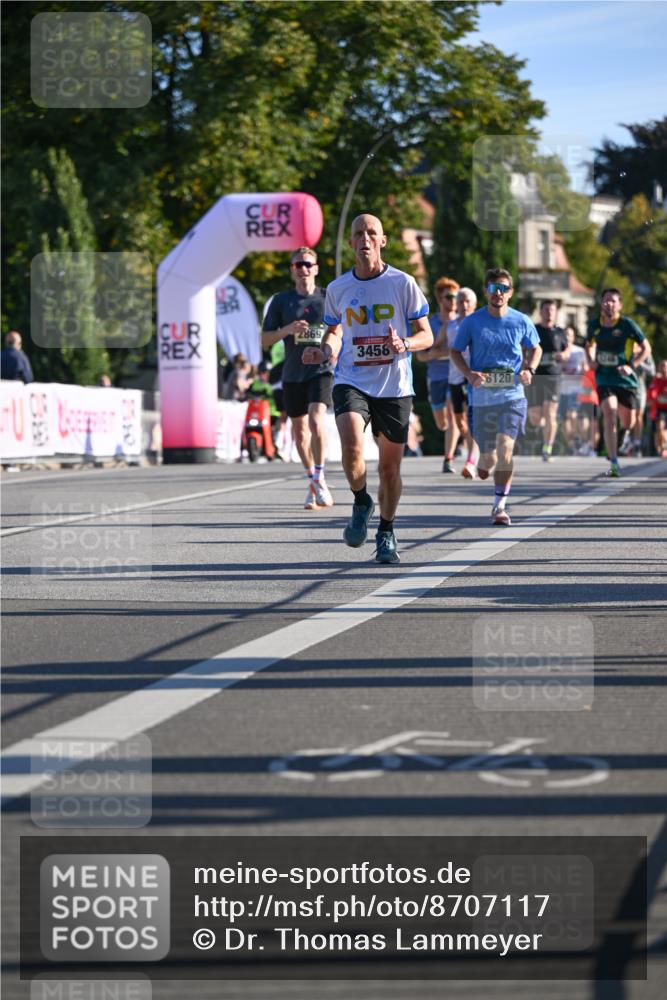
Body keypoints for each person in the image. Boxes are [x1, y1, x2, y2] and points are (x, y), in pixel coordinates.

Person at [302, 213, 433, 564]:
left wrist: (405, 344)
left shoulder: (403, 284)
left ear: (382, 241)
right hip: (351, 379)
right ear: (351, 243)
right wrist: (324, 351)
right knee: (351, 445)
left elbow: (428, 335)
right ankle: (361, 500)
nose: (365, 239)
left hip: (394, 386)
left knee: (389, 470)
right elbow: (334, 332)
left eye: (371, 233)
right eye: (358, 233)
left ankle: (386, 530)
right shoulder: (339, 289)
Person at [450, 267, 541, 526]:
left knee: (506, 447)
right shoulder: (472, 322)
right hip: (481, 399)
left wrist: (529, 369)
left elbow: (535, 348)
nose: (498, 293)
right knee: (489, 457)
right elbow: (455, 352)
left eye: (503, 288)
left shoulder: (521, 320)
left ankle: (499, 505)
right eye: (493, 288)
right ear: (485, 291)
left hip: (512, 395)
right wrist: (469, 374)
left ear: (510, 293)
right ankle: (483, 460)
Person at [262, 247, 334, 510]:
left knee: (316, 422)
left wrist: (332, 349)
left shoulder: (328, 298)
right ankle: (314, 481)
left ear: (316, 269)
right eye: (297, 265)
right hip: (292, 374)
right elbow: (265, 340)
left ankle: (320, 476)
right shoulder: (281, 301)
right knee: (299, 431)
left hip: (321, 371)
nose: (303, 268)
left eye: (307, 264)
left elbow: (343, 330)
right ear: (292, 271)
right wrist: (287, 330)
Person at [585, 288, 651, 477]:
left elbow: (647, 348)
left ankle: (624, 435)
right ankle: (614, 462)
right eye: (606, 300)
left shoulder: (627, 325)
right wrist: (590, 361)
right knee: (609, 413)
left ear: (620, 305)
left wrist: (632, 365)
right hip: (604, 377)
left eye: (613, 301)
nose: (609, 304)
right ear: (601, 304)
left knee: (628, 421)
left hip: (625, 380)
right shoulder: (594, 325)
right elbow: (589, 345)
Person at [417, 277, 459, 472]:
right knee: (442, 422)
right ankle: (460, 437)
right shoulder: (431, 323)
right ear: (440, 299)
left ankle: (448, 458)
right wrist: (438, 352)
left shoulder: (463, 323)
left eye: (455, 297)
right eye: (448, 297)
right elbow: (421, 356)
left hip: (457, 376)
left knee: (453, 415)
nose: (452, 301)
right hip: (436, 376)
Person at [526, 300, 570, 461]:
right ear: (541, 311)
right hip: (536, 376)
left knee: (550, 414)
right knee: (535, 417)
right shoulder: (534, 329)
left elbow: (567, 350)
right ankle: (544, 430)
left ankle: (547, 447)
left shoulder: (560, 332)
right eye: (546, 309)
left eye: (552, 309)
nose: (549, 312)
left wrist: (563, 356)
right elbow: (525, 348)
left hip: (553, 377)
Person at [446, 287, 479, 478]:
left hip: (473, 377)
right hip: (454, 377)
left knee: (472, 420)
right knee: (460, 423)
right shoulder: (450, 326)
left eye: (467, 301)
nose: (464, 305)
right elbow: (438, 345)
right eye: (460, 301)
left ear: (474, 304)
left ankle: (471, 461)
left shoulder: (479, 323)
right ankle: (474, 449)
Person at [558, 326, 588, 453]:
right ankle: (572, 444)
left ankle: (577, 438)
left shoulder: (579, 351)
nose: (567, 337)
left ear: (573, 337)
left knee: (572, 413)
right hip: (561, 389)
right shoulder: (558, 351)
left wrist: (582, 372)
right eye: (565, 334)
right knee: (564, 420)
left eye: (569, 334)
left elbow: (586, 368)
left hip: (576, 389)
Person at [647, 359, 667, 457]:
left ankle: (663, 447)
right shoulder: (656, 380)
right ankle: (661, 448)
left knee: (662, 429)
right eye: (662, 366)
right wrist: (658, 397)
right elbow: (651, 397)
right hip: (658, 409)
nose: (664, 368)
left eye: (665, 366)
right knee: (659, 429)